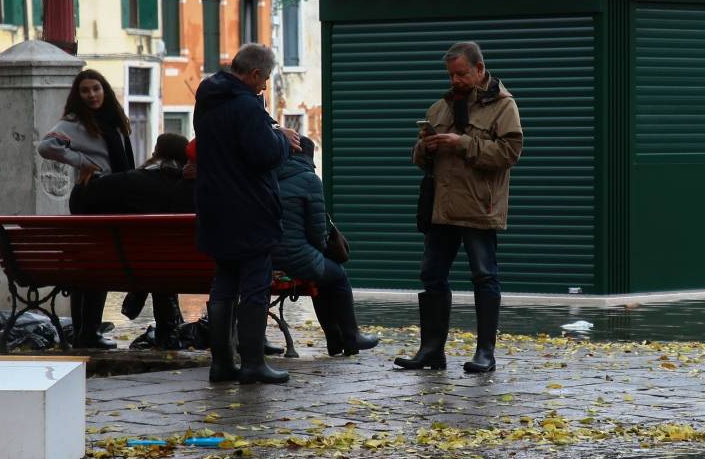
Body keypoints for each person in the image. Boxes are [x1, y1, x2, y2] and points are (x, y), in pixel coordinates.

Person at [394, 41, 523, 374]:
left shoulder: (504, 106)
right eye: (451, 74)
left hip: (479, 208)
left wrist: (461, 143)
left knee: (484, 276)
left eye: (461, 73)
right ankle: (431, 351)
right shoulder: (440, 107)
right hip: (442, 208)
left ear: (480, 69)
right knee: (432, 275)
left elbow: (509, 154)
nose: (455, 80)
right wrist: (426, 147)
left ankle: (485, 353)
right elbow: (417, 159)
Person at [195, 43, 298, 385]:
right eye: (265, 79)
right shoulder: (246, 106)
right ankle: (253, 362)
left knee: (224, 280)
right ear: (254, 74)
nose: (265, 86)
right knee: (255, 282)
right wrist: (282, 140)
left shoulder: (208, 100)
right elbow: (263, 155)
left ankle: (222, 363)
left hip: (214, 205)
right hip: (249, 207)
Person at [38, 68, 135, 350]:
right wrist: (81, 161)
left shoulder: (114, 120)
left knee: (92, 266)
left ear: (104, 90)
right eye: (85, 91)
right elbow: (46, 146)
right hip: (94, 197)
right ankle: (87, 331)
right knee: (95, 266)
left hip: (112, 195)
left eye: (96, 89)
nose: (92, 95)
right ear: (78, 96)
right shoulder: (76, 122)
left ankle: (86, 330)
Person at [70, 133, 195, 348]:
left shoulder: (131, 181)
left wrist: (82, 183)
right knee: (163, 264)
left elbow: (81, 199)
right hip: (181, 271)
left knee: (96, 262)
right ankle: (168, 334)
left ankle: (87, 332)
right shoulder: (193, 188)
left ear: (156, 154)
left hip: (125, 268)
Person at [273, 136, 380, 357]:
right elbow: (316, 231)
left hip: (265, 259)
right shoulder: (309, 179)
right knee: (338, 275)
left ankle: (335, 339)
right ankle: (351, 337)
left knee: (322, 274)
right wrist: (322, 248)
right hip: (294, 258)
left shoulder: (268, 176)